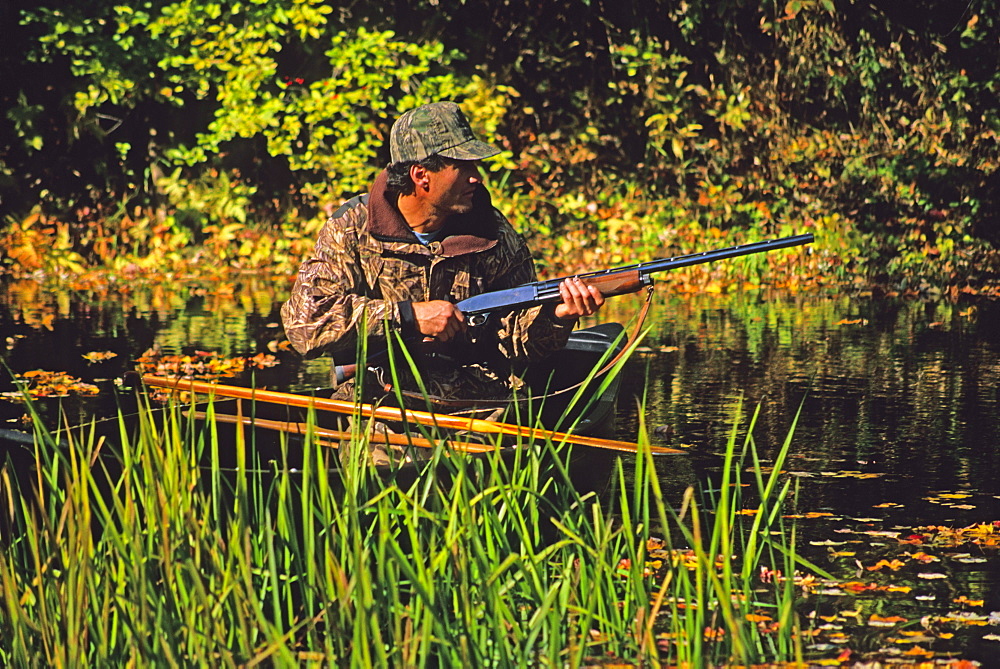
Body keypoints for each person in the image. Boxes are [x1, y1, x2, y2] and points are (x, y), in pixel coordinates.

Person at [281, 101, 604, 407]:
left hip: (479, 401)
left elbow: (517, 341)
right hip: (378, 397)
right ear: (421, 175)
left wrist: (558, 316)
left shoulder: (493, 232)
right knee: (381, 462)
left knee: (494, 458)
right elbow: (306, 324)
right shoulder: (351, 227)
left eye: (475, 165)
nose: (476, 177)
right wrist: (409, 316)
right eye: (463, 167)